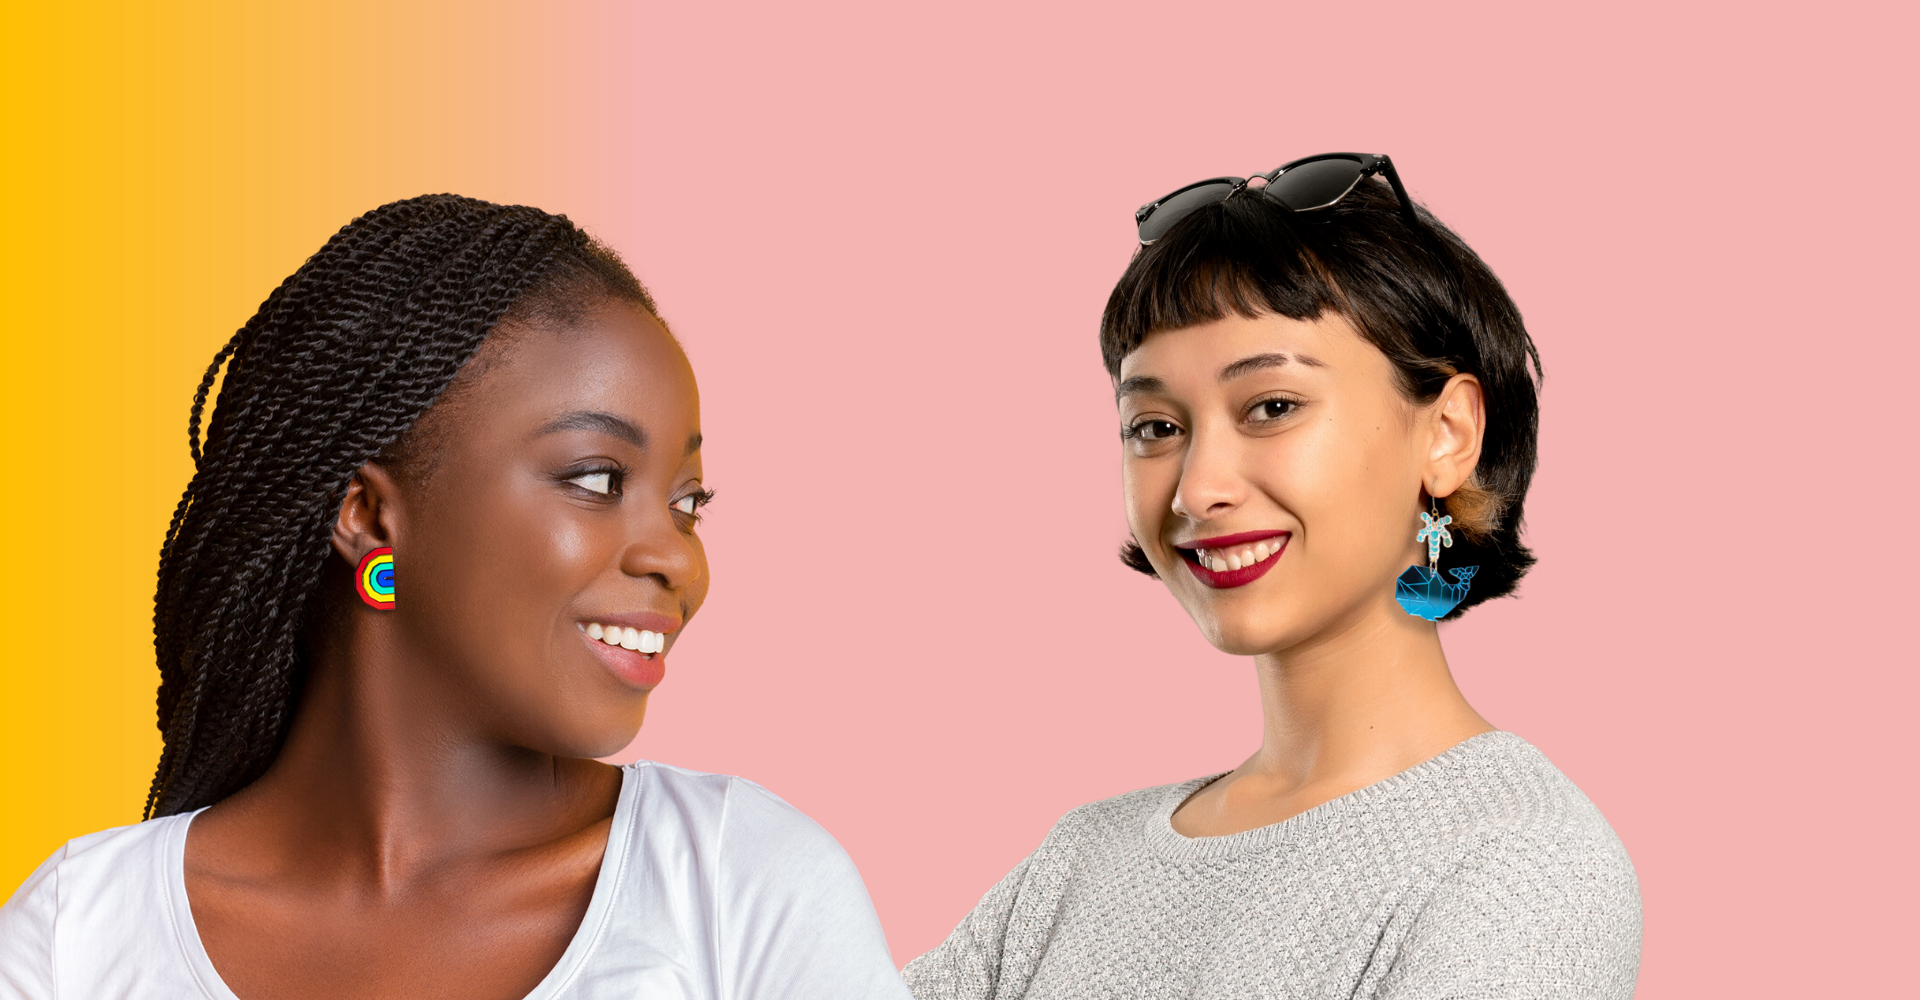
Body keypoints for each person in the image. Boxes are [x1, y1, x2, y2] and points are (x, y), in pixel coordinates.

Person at [0, 195, 910, 1000]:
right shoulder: (80, 931)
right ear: (367, 517)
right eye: (597, 479)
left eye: (687, 504)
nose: (676, 559)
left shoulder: (737, 886)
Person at [905, 154, 1641, 998]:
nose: (1197, 487)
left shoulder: (1524, 865)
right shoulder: (1077, 865)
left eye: (1272, 407)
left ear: (1447, 433)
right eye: (1153, 426)